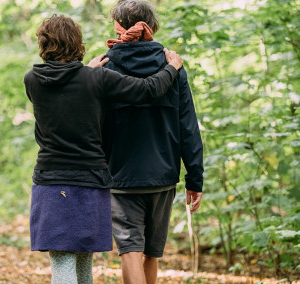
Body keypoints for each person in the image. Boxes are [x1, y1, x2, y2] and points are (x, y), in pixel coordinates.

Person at [24, 14, 183, 284]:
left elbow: (65, 93)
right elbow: (147, 89)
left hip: (51, 184)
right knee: (84, 265)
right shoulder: (97, 79)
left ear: (44, 43)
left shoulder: (33, 80)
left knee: (63, 265)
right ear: (77, 42)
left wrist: (87, 70)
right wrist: (172, 68)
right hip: (90, 182)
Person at [101, 1, 204, 283]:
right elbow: (187, 125)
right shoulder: (172, 64)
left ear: (119, 28)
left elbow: (95, 125)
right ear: (151, 26)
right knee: (151, 253)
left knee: (129, 250)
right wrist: (195, 178)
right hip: (163, 175)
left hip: (121, 175)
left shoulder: (105, 65)